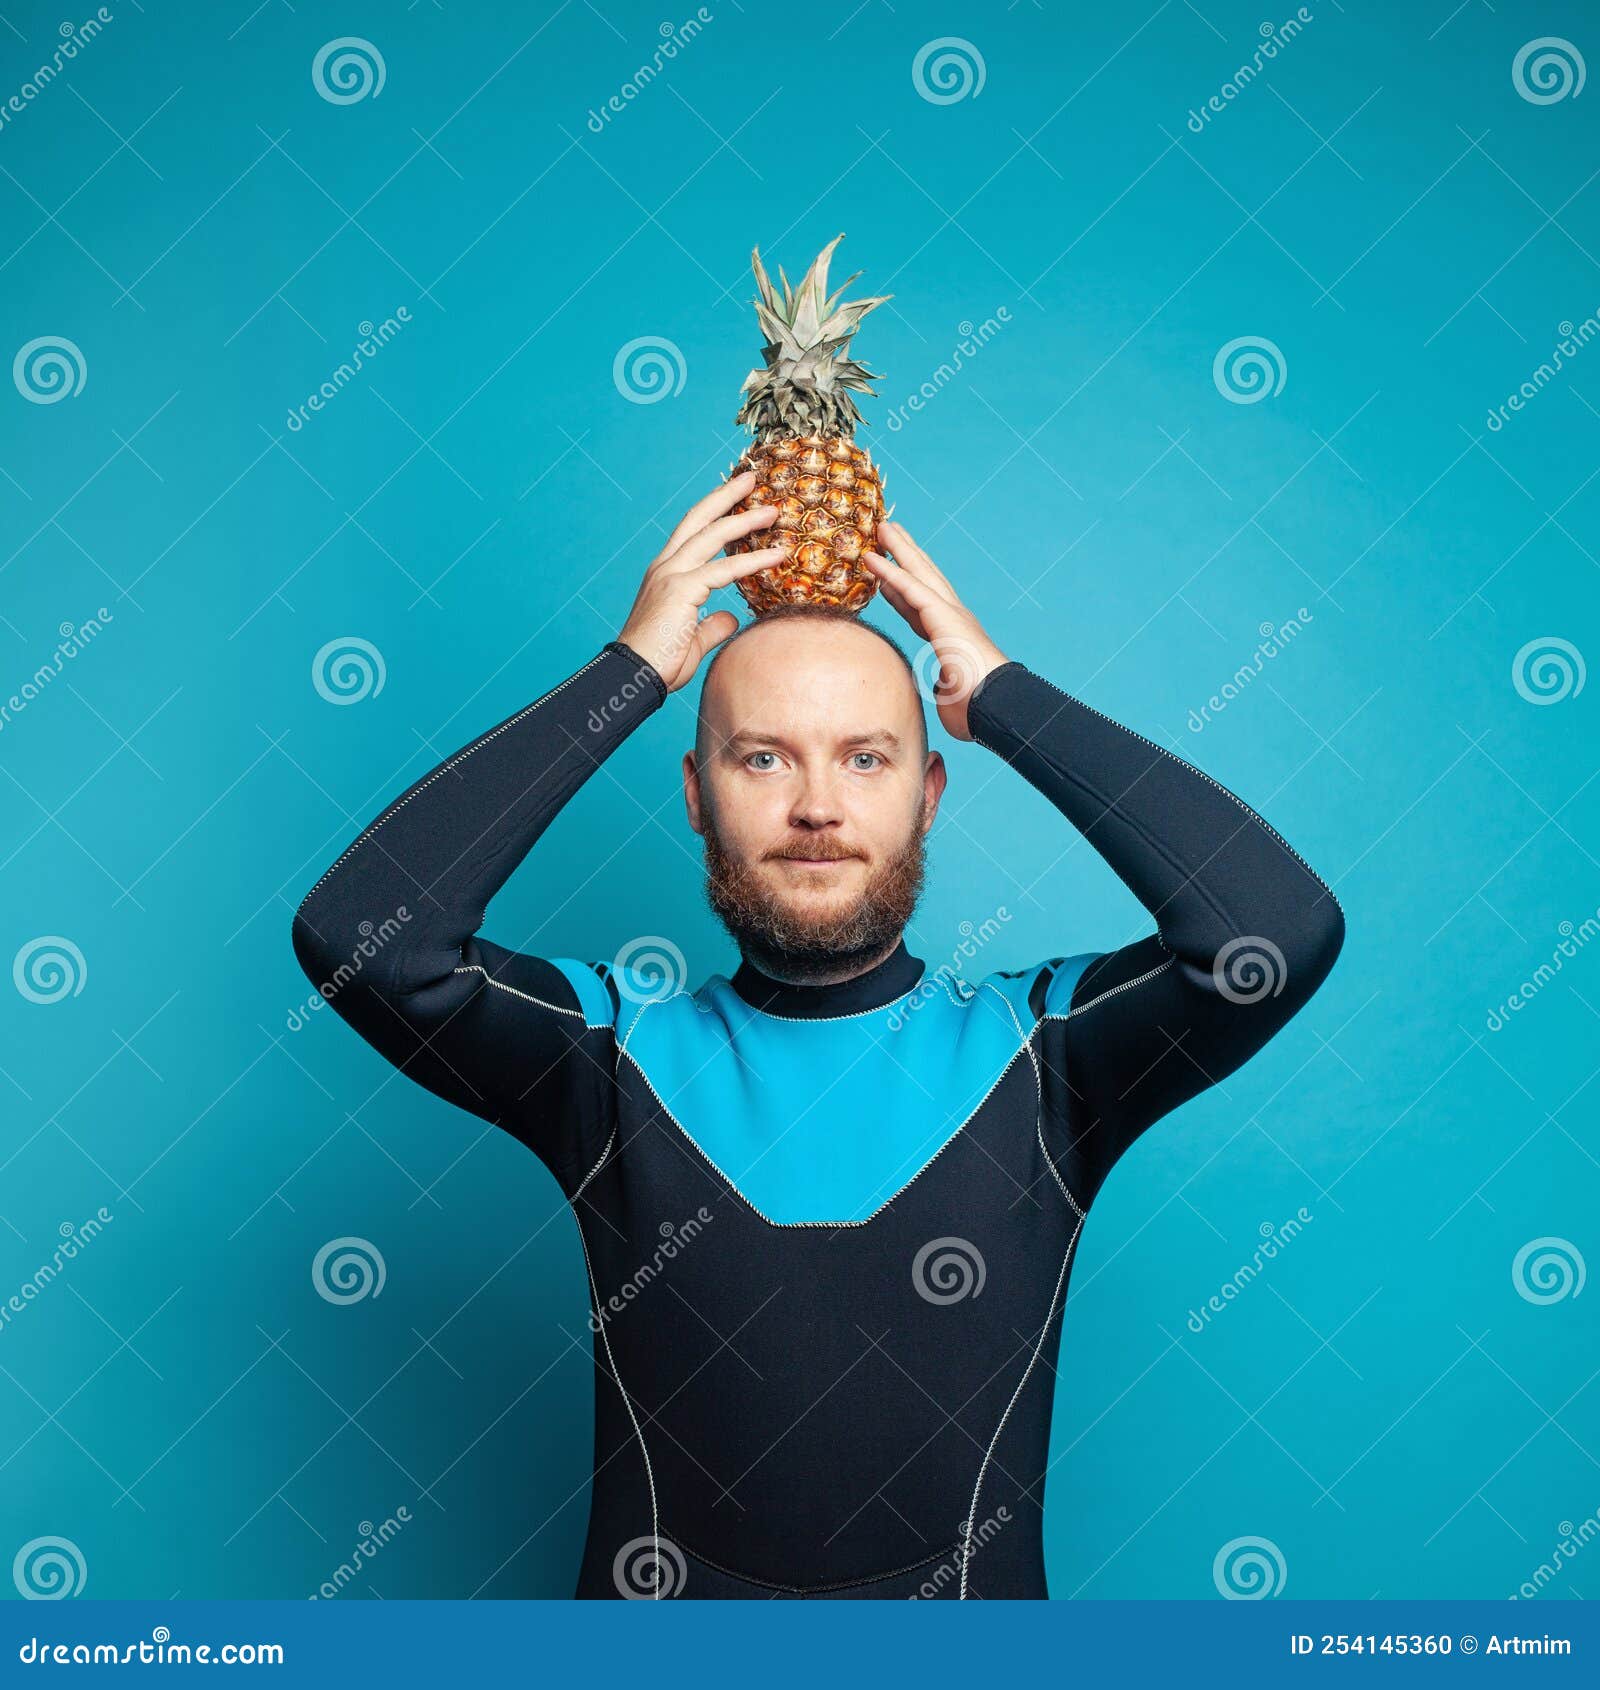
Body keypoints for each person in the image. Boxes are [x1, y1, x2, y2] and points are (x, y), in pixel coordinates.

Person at [290, 473, 1345, 1599]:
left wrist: (1000, 692)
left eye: (864, 756)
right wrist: (630, 674)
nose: (815, 808)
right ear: (696, 795)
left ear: (928, 792)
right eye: (762, 757)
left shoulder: (1044, 1057)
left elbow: (1271, 934)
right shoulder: (605, 1058)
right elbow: (368, 940)